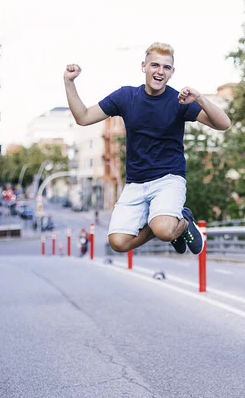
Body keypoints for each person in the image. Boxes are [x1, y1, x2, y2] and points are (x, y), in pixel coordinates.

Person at [64, 42, 231, 255]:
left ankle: (181, 223)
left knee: (163, 229)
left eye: (166, 67)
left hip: (168, 179)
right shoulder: (126, 97)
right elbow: (83, 117)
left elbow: (223, 124)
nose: (160, 72)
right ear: (144, 66)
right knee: (118, 242)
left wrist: (198, 98)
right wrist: (69, 82)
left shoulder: (178, 100)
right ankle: (174, 226)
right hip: (136, 183)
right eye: (155, 65)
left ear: (172, 72)